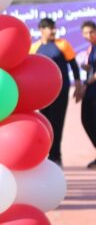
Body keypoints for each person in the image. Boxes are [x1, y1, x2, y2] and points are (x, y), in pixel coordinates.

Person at [31, 17, 84, 166]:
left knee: (57, 122)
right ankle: (45, 154)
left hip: (61, 90)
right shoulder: (34, 48)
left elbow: (73, 65)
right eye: (50, 28)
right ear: (41, 30)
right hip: (41, 93)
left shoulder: (63, 44)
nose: (54, 31)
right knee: (44, 123)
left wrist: (78, 85)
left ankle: (56, 156)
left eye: (54, 28)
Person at [79, 20, 96, 168]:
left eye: (91, 32)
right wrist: (87, 67)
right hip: (91, 91)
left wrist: (85, 84)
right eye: (85, 33)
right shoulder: (91, 48)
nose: (89, 35)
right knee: (86, 120)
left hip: (92, 89)